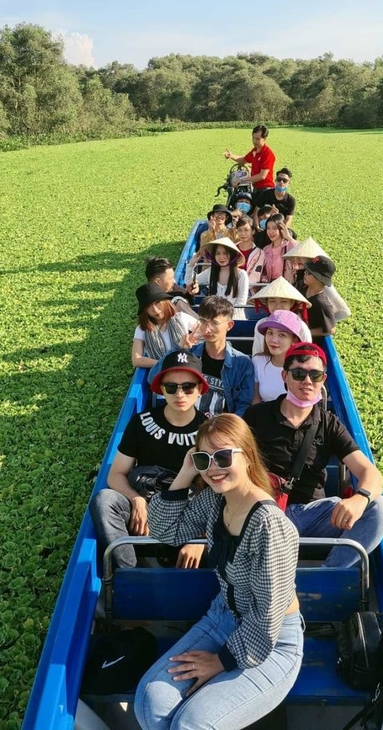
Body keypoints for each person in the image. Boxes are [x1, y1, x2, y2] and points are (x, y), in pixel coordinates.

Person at [134, 414, 302, 730]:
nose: (213, 467)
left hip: (272, 641)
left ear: (248, 457)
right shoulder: (216, 500)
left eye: (223, 456)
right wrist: (185, 473)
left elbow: (267, 616)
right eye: (203, 459)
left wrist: (220, 661)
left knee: (190, 725)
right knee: (150, 703)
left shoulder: (269, 526)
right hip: (222, 618)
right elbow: (166, 530)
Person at [243, 343, 383, 568]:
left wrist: (360, 499)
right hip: (267, 511)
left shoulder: (329, 423)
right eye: (299, 373)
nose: (307, 381)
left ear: (323, 379)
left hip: (315, 514)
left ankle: (329, 573)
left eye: (315, 375)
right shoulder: (257, 415)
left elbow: (369, 472)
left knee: (379, 509)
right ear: (285, 376)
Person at [89, 350, 210, 571]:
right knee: (104, 500)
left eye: (188, 387)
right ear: (162, 389)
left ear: (200, 389)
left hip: (189, 512)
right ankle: (131, 572)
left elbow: (219, 490)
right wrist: (136, 499)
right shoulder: (141, 423)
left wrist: (201, 538)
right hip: (146, 501)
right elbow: (115, 475)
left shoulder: (208, 431)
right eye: (171, 387)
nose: (179, 394)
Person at [174, 296, 255, 416]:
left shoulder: (242, 363)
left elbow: (243, 406)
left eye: (214, 323)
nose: (207, 329)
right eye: (203, 321)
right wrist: (178, 349)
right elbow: (153, 377)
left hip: (221, 428)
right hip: (188, 422)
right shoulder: (189, 354)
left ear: (229, 325)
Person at [132, 284, 199, 369]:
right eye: (148, 306)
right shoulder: (142, 329)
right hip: (162, 374)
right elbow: (136, 360)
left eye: (157, 303)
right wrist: (166, 364)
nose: (155, 309)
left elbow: (204, 331)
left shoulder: (182, 317)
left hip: (187, 367)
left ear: (165, 301)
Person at [185, 238, 249, 318]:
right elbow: (189, 282)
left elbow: (241, 304)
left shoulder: (241, 275)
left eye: (225, 253)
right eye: (217, 253)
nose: (221, 257)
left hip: (235, 319)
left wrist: (223, 319)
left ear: (232, 254)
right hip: (213, 319)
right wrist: (191, 264)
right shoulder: (211, 272)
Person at [252, 310, 306, 403]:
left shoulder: (303, 366)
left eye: (282, 335)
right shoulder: (258, 361)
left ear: (294, 340)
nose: (274, 340)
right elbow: (255, 400)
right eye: (270, 333)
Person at [249, 277, 312, 354]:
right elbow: (257, 353)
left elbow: (306, 354)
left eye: (283, 302)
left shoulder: (301, 326)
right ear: (267, 303)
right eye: (272, 301)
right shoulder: (261, 324)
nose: (278, 306)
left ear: (291, 303)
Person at [301, 255, 351, 337]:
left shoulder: (322, 303)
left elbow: (331, 330)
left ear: (318, 279)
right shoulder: (303, 288)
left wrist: (305, 333)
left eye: (308, 272)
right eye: (305, 270)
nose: (304, 273)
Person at [223, 125, 276, 192]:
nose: (254, 141)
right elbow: (244, 160)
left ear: (264, 139)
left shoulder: (268, 154)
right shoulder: (254, 151)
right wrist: (231, 156)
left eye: (257, 139)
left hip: (265, 190)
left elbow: (262, 176)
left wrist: (241, 181)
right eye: (253, 138)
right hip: (255, 188)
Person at [261, 214, 295, 283]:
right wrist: (264, 279)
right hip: (270, 286)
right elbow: (263, 271)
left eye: (274, 228)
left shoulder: (288, 245)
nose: (270, 232)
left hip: (286, 286)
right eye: (268, 228)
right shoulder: (266, 249)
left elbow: (301, 251)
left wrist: (289, 237)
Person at [233, 217, 265, 288]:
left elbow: (255, 276)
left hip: (248, 289)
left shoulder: (259, 253)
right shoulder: (231, 249)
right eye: (240, 230)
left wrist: (241, 288)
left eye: (246, 230)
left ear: (253, 231)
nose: (243, 233)